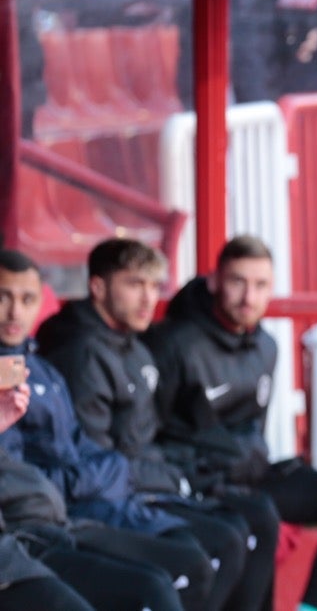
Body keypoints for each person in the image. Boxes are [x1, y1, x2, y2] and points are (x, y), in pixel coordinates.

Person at [34, 239, 279, 611]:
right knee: (218, 545)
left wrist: (182, 474)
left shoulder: (134, 346)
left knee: (247, 523)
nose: (148, 299)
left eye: (154, 286)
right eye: (135, 285)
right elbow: (97, 463)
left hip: (148, 480)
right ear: (98, 288)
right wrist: (175, 480)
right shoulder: (81, 354)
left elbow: (149, 437)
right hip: (103, 501)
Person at [146, 236, 317, 611]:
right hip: (202, 481)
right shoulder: (174, 343)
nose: (248, 297)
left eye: (260, 285)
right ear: (215, 281)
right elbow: (150, 434)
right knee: (260, 518)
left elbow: (253, 432)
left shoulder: (266, 346)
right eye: (238, 281)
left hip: (252, 475)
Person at [0, 249, 224, 611]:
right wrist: (106, 473)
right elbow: (28, 477)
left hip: (69, 511)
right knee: (161, 580)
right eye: (3, 297)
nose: (14, 312)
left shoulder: (44, 369)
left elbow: (86, 446)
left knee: (210, 547)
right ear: (98, 287)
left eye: (26, 299)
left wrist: (115, 469)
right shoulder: (80, 352)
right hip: (49, 520)